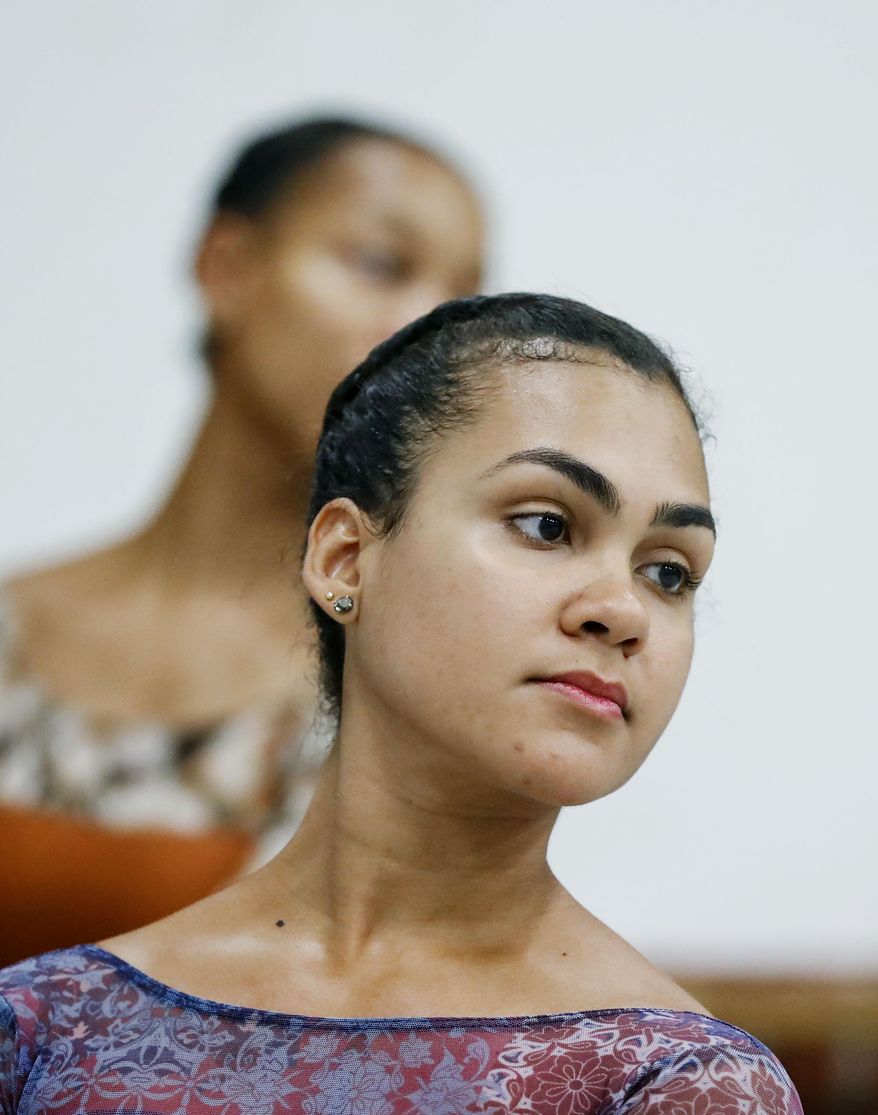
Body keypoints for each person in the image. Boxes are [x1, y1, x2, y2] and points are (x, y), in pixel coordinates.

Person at [0, 294, 802, 1112]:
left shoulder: (680, 1082)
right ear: (345, 559)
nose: (623, 610)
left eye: (669, 571)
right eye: (546, 524)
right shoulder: (44, 1031)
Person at [0, 116, 485, 964]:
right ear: (226, 267)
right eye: (381, 262)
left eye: (458, 301)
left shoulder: (398, 691)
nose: (422, 330)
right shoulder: (15, 623)